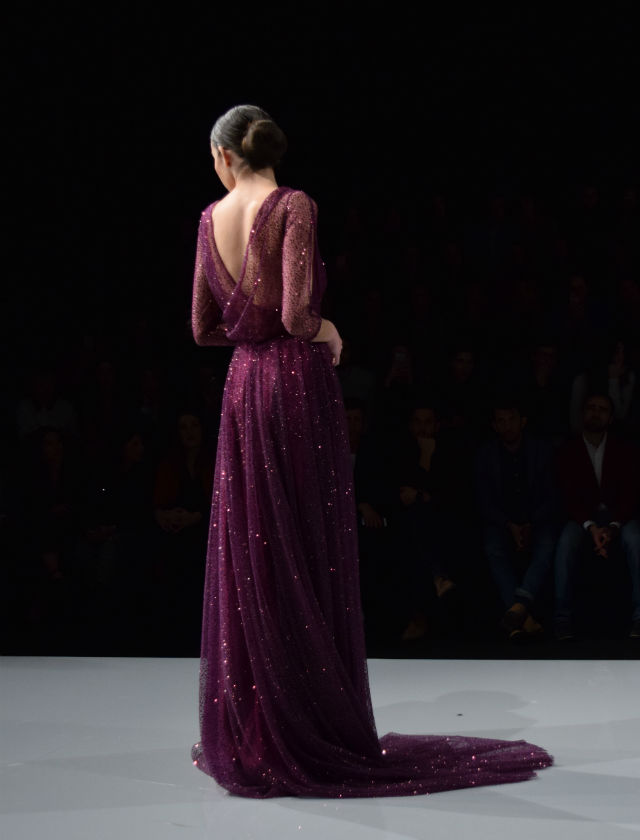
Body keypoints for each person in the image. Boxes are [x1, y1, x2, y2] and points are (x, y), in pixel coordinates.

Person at [189, 104, 553, 798]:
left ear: (225, 154)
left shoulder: (210, 220)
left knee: (257, 548)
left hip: (243, 388)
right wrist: (327, 331)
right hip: (295, 384)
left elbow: (205, 329)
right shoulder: (294, 205)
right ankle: (310, 721)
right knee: (303, 544)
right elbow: (298, 315)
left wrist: (251, 330)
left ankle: (260, 722)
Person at [554, 391, 640, 640]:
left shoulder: (623, 449)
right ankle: (561, 619)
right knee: (565, 544)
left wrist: (613, 526)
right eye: (591, 407)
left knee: (636, 540)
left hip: (619, 517)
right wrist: (590, 526)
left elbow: (631, 493)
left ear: (610, 418)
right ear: (582, 413)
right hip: (582, 518)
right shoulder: (568, 449)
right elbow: (567, 495)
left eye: (602, 409)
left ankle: (639, 617)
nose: (596, 413)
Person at [475, 396, 558, 640]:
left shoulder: (541, 451)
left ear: (523, 421)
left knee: (547, 543)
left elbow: (553, 494)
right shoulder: (486, 454)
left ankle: (518, 608)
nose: (507, 425)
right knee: (493, 547)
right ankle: (523, 615)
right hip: (502, 521)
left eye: (511, 419)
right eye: (501, 421)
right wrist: (508, 525)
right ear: (494, 425)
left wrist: (531, 523)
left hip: (537, 519)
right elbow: (483, 500)